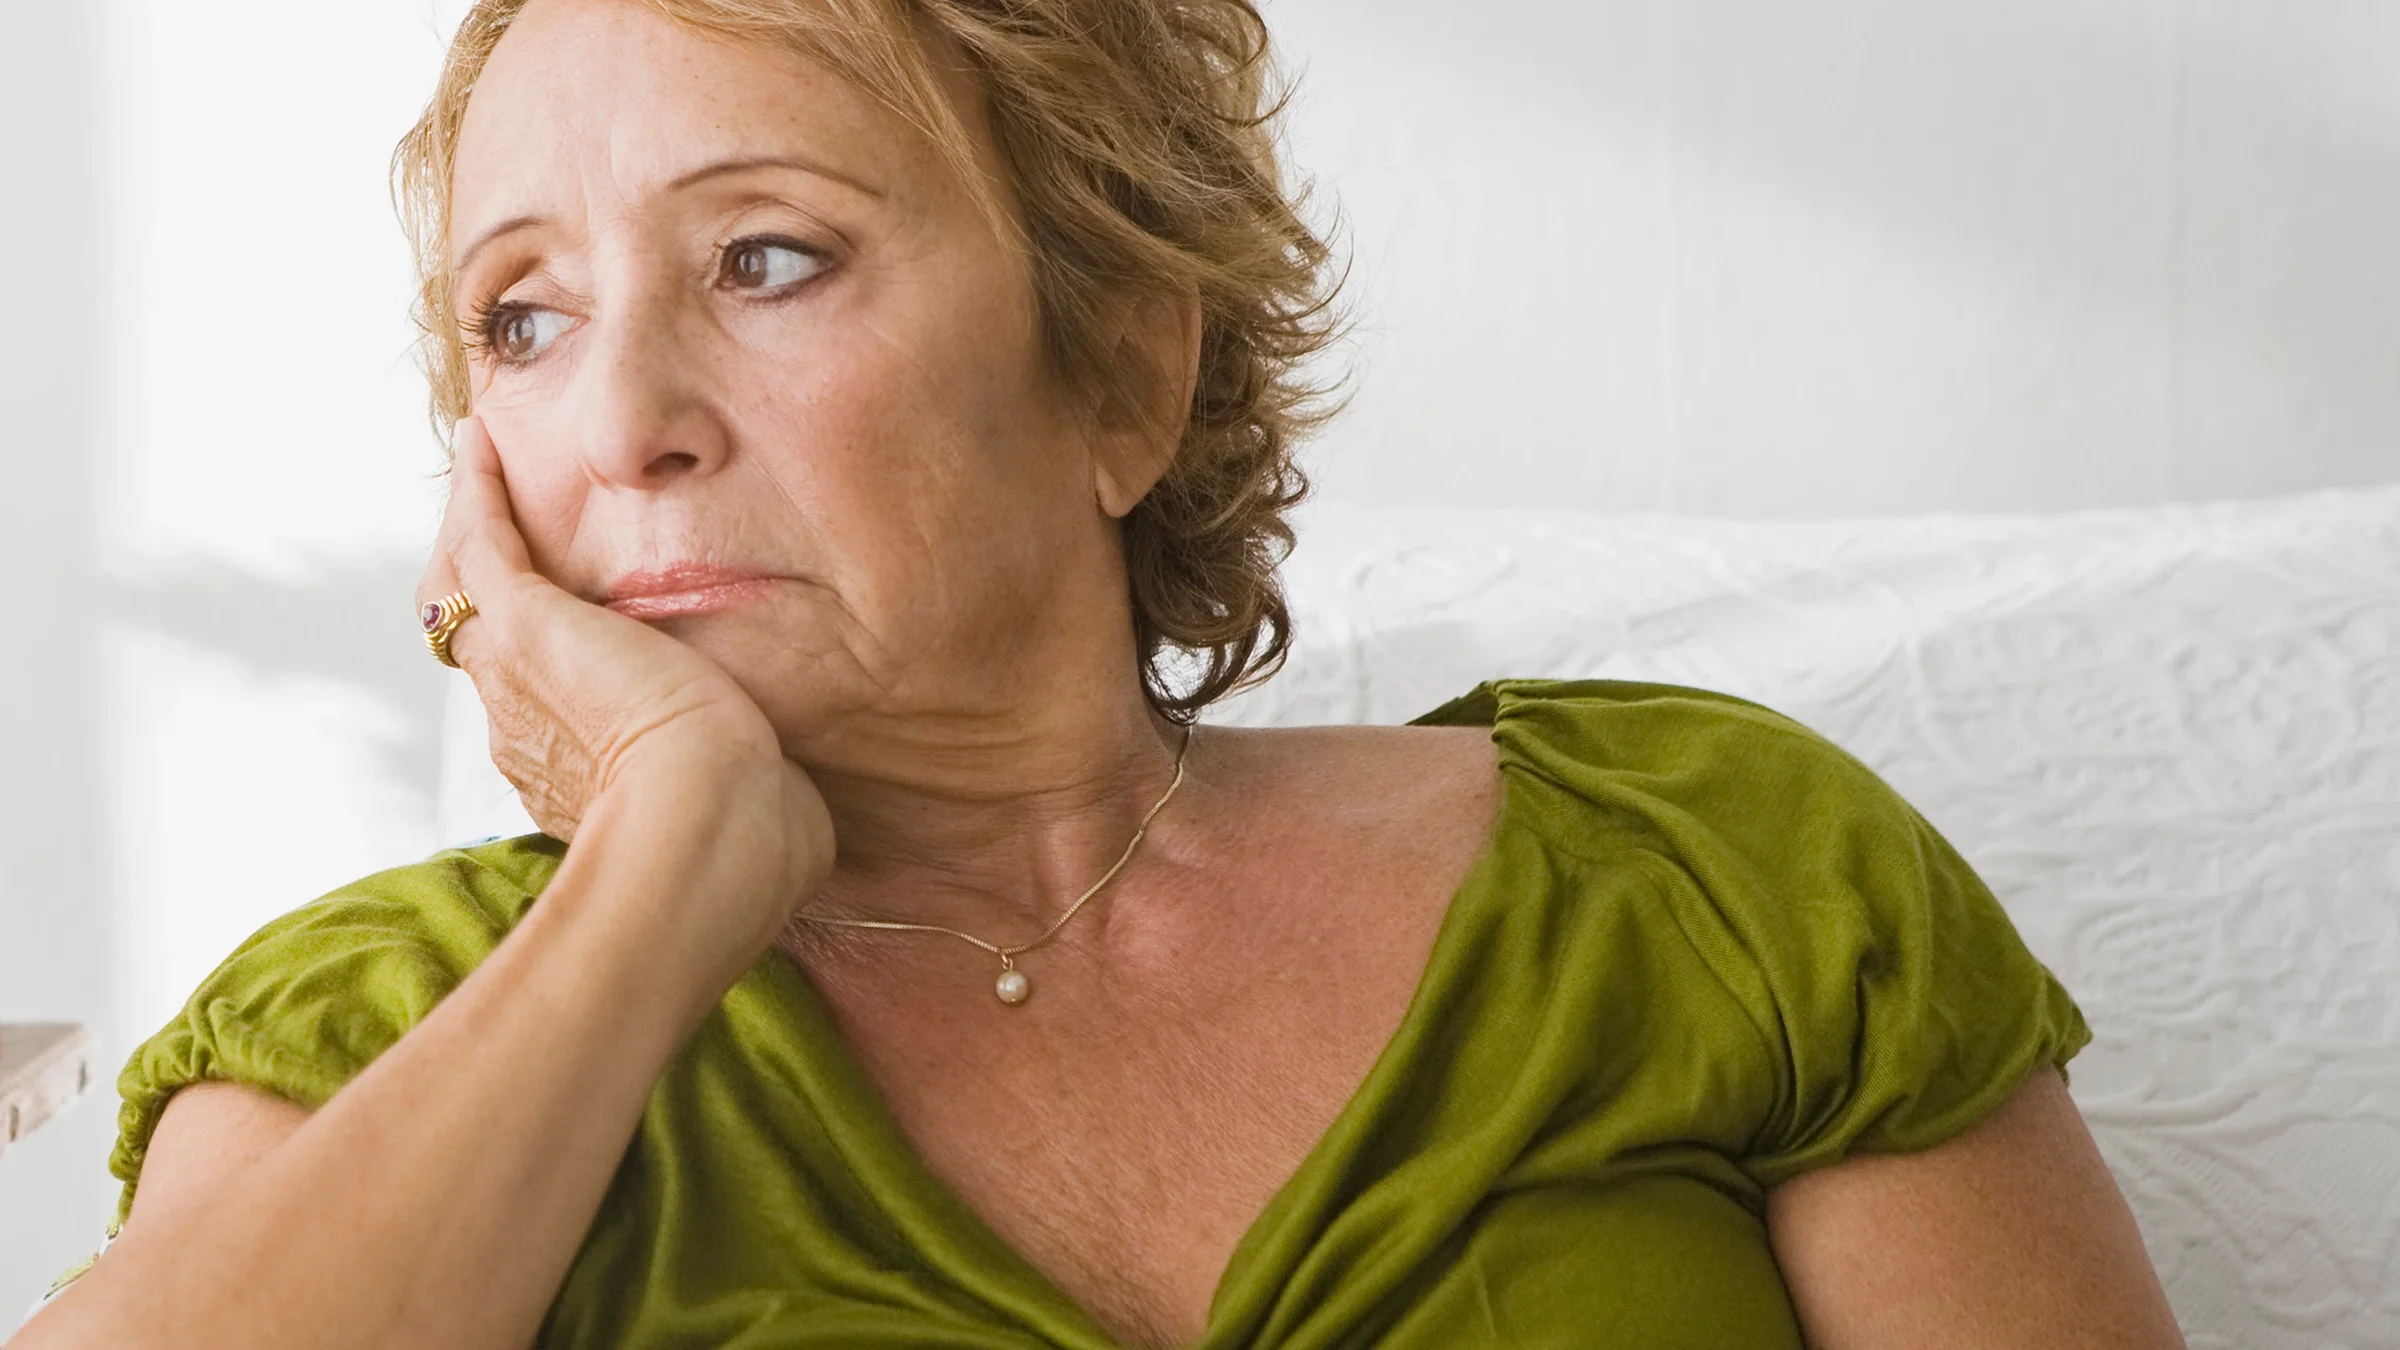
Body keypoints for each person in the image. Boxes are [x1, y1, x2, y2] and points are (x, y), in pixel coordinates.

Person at [13, 1, 2188, 1346]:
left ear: (1122, 369)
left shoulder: (1713, 873)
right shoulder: (384, 1033)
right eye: (521, 317)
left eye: (766, 258)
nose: (624, 419)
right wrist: (669, 860)